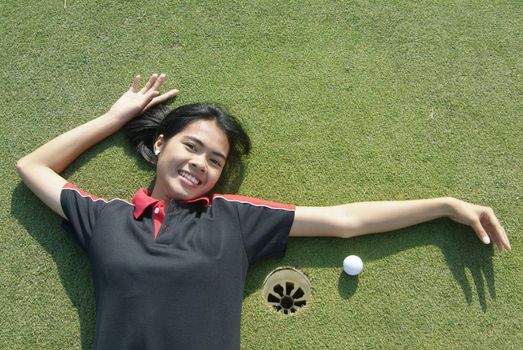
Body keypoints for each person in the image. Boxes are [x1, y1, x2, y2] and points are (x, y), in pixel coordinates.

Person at [16, 73, 511, 349]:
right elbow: (33, 165)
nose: (200, 165)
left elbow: (344, 221)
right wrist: (115, 117)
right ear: (161, 142)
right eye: (191, 147)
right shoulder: (106, 218)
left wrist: (445, 206)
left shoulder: (232, 217)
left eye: (215, 160)